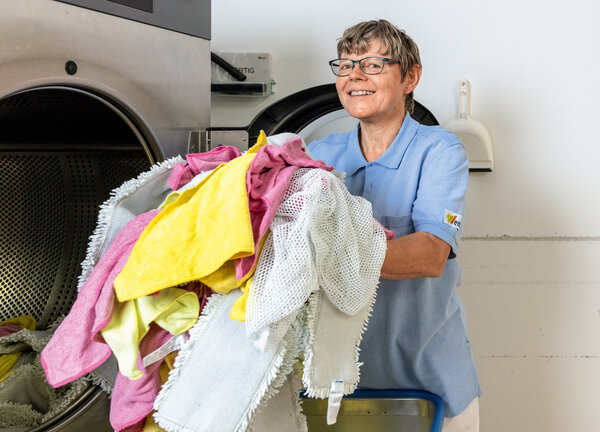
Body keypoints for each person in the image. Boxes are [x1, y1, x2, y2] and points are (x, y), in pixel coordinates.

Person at [307, 19, 481, 431]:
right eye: (346, 65)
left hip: (427, 376)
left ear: (410, 78)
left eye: (372, 64)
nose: (354, 77)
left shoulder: (439, 152)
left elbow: (431, 256)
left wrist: (326, 252)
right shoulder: (318, 155)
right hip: (334, 381)